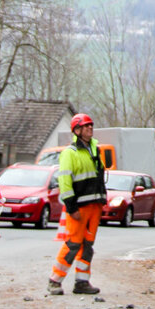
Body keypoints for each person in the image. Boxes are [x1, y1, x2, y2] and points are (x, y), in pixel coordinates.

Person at [48, 113, 107, 296]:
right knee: (73, 244)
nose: (90, 128)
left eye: (91, 125)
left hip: (95, 206)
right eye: (86, 126)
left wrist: (101, 201)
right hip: (80, 208)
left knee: (88, 246)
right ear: (77, 130)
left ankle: (82, 282)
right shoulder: (69, 153)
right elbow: (65, 182)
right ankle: (54, 281)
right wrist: (71, 207)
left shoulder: (95, 149)